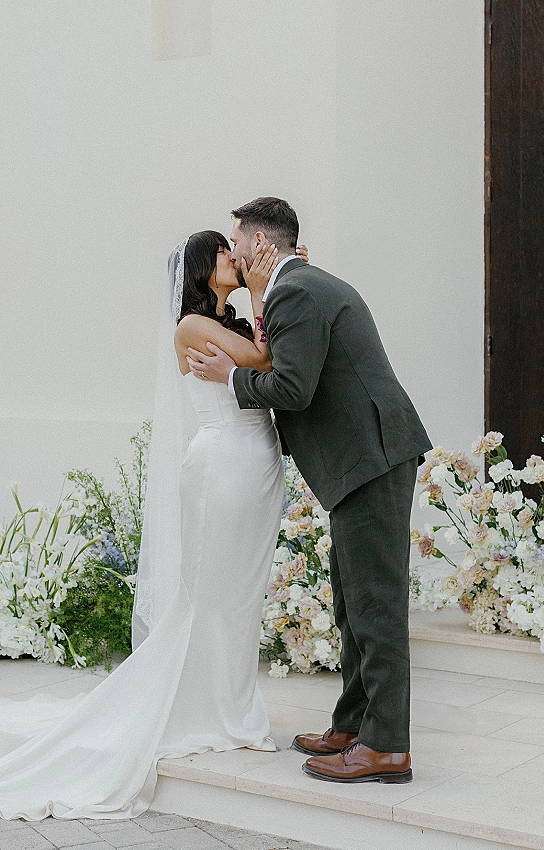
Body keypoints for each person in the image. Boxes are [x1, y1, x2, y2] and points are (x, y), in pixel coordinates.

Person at [0, 231, 307, 820]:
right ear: (200, 267)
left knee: (242, 595)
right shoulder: (192, 327)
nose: (232, 257)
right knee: (211, 594)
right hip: (222, 465)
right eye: (222, 251)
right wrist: (269, 285)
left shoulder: (239, 319)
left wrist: (272, 287)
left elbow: (267, 362)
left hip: (258, 464)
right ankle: (207, 709)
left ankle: (231, 705)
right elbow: (268, 362)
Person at [187, 197, 432, 785]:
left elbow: (293, 388)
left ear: (262, 246)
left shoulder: (295, 291)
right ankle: (352, 725)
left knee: (373, 604)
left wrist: (231, 377)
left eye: (240, 242)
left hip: (369, 458)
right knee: (351, 600)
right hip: (363, 458)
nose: (236, 252)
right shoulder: (293, 288)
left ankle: (387, 746)